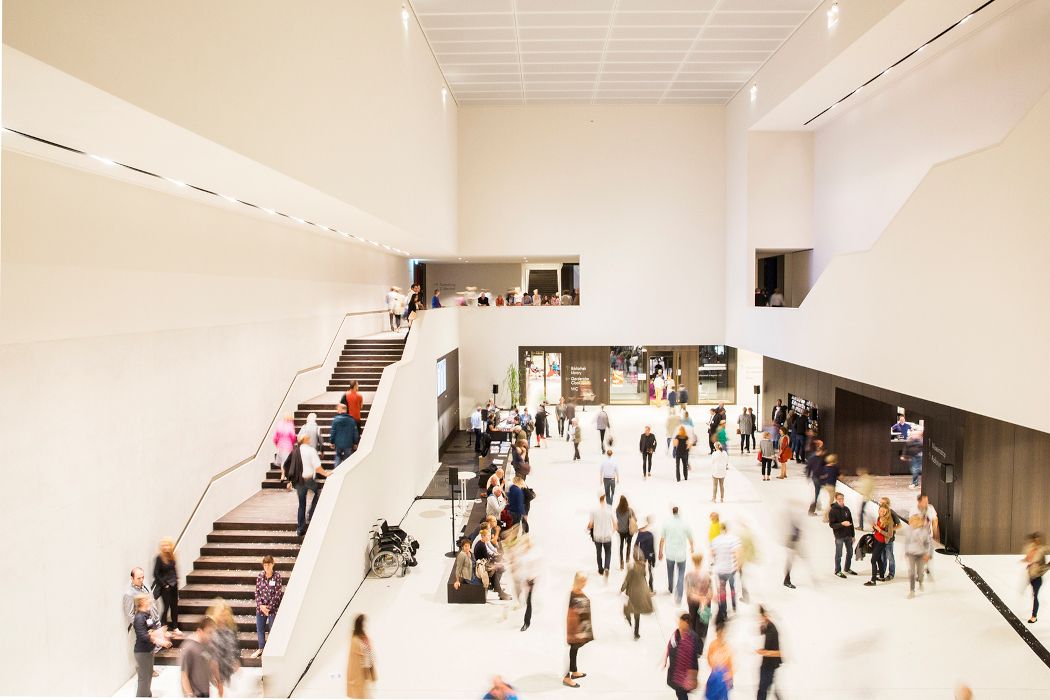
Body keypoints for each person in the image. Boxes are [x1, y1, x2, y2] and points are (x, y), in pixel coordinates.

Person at [285, 433, 331, 537]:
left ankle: (300, 529)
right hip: (308, 480)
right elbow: (318, 468)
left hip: (299, 481)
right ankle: (311, 513)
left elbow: (287, 465)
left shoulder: (295, 451)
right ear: (305, 440)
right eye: (308, 438)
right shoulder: (311, 451)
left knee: (302, 504)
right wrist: (326, 473)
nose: (310, 439)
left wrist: (289, 481)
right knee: (318, 492)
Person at [132, 594, 171, 696]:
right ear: (141, 602)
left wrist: (162, 632)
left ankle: (147, 695)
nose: (150, 601)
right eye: (147, 599)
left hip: (148, 651)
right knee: (144, 678)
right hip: (142, 652)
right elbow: (144, 636)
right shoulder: (139, 618)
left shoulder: (147, 615)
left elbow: (151, 630)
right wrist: (161, 642)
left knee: (148, 676)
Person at [659, 506, 695, 604]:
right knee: (681, 574)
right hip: (681, 554)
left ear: (672, 512)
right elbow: (690, 537)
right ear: (679, 512)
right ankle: (679, 595)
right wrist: (692, 547)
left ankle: (670, 587)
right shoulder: (685, 523)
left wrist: (660, 552)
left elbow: (662, 539)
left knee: (670, 572)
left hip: (670, 553)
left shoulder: (666, 523)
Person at [564, 572, 592, 688]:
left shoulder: (578, 591)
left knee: (574, 650)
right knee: (571, 651)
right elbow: (571, 616)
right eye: (583, 581)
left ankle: (574, 672)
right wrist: (575, 633)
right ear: (578, 581)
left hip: (580, 629)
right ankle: (566, 678)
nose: (585, 583)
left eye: (585, 581)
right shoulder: (573, 594)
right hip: (575, 630)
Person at [664, 613, 702, 700]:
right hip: (675, 670)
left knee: (681, 693)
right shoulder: (676, 633)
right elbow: (670, 645)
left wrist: (692, 676)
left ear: (687, 623)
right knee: (679, 690)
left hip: (684, 674)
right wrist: (666, 657)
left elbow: (697, 654)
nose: (679, 623)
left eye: (681, 622)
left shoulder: (693, 637)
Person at [206, 601, 239, 697]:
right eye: (221, 614)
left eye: (225, 614)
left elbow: (233, 645)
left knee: (222, 686)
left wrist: (235, 660)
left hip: (225, 663)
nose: (224, 617)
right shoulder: (211, 629)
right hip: (214, 663)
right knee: (217, 686)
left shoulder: (229, 629)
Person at [253, 555, 283, 658]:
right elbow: (257, 592)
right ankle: (261, 648)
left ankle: (272, 649)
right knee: (260, 629)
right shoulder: (260, 576)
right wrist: (261, 606)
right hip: (261, 608)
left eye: (268, 565)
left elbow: (278, 593)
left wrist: (268, 608)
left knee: (272, 629)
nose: (266, 567)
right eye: (265, 565)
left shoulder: (277, 576)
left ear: (273, 564)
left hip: (272, 608)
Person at [180, 615, 216, 698]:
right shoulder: (189, 648)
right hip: (195, 693)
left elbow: (209, 662)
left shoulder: (208, 645)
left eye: (213, 633)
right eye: (209, 632)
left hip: (205, 690)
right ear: (200, 631)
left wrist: (215, 680)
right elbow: (184, 675)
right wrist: (190, 695)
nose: (212, 636)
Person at [711, 523, 740, 622]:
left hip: (720, 570)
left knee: (722, 592)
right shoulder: (733, 539)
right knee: (732, 588)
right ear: (727, 529)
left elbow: (713, 555)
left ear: (720, 529)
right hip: (730, 569)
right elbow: (736, 553)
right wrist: (737, 565)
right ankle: (734, 606)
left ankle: (724, 613)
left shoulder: (715, 540)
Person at [621, 551, 654, 639]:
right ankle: (636, 633)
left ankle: (629, 621)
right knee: (637, 613)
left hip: (632, 592)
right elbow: (644, 576)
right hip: (641, 592)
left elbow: (627, 580)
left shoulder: (631, 568)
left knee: (626, 609)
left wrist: (622, 589)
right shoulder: (643, 566)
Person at [684, 553, 712, 651]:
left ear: (693, 561)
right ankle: (699, 650)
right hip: (704, 604)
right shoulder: (707, 575)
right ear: (701, 561)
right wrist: (703, 600)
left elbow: (688, 593)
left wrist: (697, 598)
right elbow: (710, 593)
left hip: (692, 603)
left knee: (692, 623)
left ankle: (692, 646)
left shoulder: (689, 575)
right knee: (703, 625)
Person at [474, 529, 511, 600]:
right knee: (495, 570)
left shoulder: (482, 543)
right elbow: (487, 558)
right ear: (483, 536)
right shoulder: (481, 545)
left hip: (484, 563)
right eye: (487, 536)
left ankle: (498, 589)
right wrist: (496, 561)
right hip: (482, 566)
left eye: (489, 535)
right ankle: (499, 591)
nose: (489, 537)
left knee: (499, 568)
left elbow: (488, 556)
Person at [756, 606, 783, 700]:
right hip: (768, 663)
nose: (758, 619)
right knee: (767, 686)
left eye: (759, 616)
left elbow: (778, 653)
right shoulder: (767, 625)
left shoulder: (773, 631)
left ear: (764, 615)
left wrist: (763, 652)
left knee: (762, 689)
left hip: (770, 664)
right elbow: (761, 632)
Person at [347, 614, 377, 698]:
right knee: (361, 696)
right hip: (359, 675)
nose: (364, 625)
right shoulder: (355, 640)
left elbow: (368, 651)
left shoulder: (363, 637)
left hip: (366, 673)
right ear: (359, 624)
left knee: (367, 695)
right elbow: (357, 658)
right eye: (363, 623)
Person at [153, 537, 179, 633]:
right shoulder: (159, 558)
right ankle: (163, 627)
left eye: (167, 545)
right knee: (166, 607)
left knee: (174, 607)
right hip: (165, 587)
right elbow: (156, 573)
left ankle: (175, 627)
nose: (166, 547)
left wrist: (176, 580)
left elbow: (174, 570)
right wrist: (164, 584)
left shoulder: (172, 556)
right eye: (164, 545)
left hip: (174, 585)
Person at [829, 492, 858, 578]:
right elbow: (832, 525)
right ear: (836, 499)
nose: (841, 500)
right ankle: (837, 570)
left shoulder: (846, 509)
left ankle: (847, 568)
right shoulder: (833, 511)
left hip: (848, 535)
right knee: (839, 554)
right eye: (839, 499)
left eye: (842, 499)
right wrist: (842, 524)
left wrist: (853, 535)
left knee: (850, 552)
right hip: (839, 536)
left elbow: (851, 523)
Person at [904, 514, 932, 599]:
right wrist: (906, 552)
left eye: (913, 521)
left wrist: (927, 554)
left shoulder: (924, 532)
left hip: (921, 555)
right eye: (911, 522)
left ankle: (920, 582)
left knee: (920, 572)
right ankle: (912, 591)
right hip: (911, 554)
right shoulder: (909, 531)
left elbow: (928, 544)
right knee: (912, 573)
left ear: (919, 522)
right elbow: (907, 542)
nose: (911, 523)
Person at [705, 621, 734, 700]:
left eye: (723, 633)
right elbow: (709, 659)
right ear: (716, 633)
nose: (721, 635)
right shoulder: (713, 645)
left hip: (724, 680)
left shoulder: (727, 647)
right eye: (719, 633)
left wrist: (729, 677)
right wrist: (716, 669)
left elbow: (731, 665)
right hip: (715, 677)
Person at [1023, 532, 1048, 623]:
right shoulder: (1032, 549)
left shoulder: (1041, 551)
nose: (1035, 541)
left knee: (1035, 596)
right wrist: (1030, 565)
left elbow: (1045, 566)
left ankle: (1034, 616)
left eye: (1037, 540)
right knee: (1034, 595)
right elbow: (1028, 559)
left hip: (1037, 577)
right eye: (1034, 539)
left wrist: (1037, 567)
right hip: (1031, 576)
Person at [865, 504, 893, 586]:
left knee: (873, 560)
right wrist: (874, 527)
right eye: (880, 510)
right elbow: (877, 529)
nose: (881, 512)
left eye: (883, 511)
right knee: (878, 559)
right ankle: (881, 577)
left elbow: (890, 535)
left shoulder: (889, 521)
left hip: (881, 542)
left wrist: (880, 530)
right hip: (875, 539)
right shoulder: (879, 517)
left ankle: (873, 581)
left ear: (886, 512)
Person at [588, 494, 615, 577]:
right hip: (607, 535)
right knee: (608, 552)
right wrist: (611, 532)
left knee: (598, 553)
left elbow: (591, 525)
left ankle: (600, 569)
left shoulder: (594, 510)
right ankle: (607, 567)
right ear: (605, 498)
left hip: (597, 536)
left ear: (599, 499)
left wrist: (589, 527)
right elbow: (615, 525)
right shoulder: (610, 509)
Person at [914, 493, 939, 578]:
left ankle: (926, 566)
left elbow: (935, 520)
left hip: (929, 536)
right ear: (919, 502)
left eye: (927, 500)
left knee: (928, 555)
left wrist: (935, 533)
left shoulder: (930, 508)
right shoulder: (914, 510)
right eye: (924, 501)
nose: (927, 502)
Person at [328, 404, 359, 468]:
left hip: (338, 443)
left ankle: (336, 473)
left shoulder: (336, 420)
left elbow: (333, 431)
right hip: (348, 443)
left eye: (338, 409)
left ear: (341, 409)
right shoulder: (351, 420)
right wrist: (355, 442)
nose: (337, 410)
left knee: (338, 456)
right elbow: (355, 432)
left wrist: (332, 442)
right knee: (347, 458)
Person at [879, 496, 901, 579]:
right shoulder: (881, 511)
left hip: (889, 539)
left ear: (887, 504)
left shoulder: (892, 513)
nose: (880, 504)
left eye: (882, 503)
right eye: (880, 502)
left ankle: (891, 574)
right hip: (882, 539)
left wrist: (890, 530)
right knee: (882, 556)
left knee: (890, 556)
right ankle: (882, 570)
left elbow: (899, 525)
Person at [615, 495, 637, 570]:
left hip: (621, 531)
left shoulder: (617, 510)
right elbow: (635, 519)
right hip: (629, 531)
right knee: (629, 544)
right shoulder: (630, 510)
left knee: (621, 546)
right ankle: (627, 558)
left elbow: (618, 518)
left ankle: (621, 562)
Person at [805, 442, 826, 515]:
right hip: (816, 477)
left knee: (817, 492)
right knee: (817, 493)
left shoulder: (819, 458)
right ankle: (811, 510)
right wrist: (808, 476)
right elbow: (809, 468)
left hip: (817, 477)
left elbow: (808, 467)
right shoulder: (818, 459)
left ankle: (817, 505)